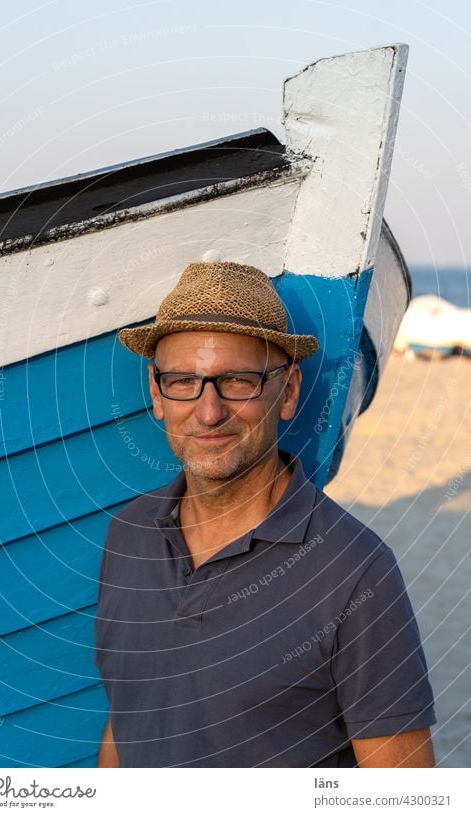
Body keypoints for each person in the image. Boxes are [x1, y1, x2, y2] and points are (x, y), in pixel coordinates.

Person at [95, 261, 436, 768]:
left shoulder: (354, 571)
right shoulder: (128, 537)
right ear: (156, 393)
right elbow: (130, 722)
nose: (209, 412)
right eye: (184, 381)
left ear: (289, 391)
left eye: (237, 381)